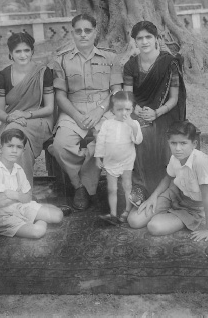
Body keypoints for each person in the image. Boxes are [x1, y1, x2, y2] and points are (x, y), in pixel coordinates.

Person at [50, 14, 123, 211]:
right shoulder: (62, 60)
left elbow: (116, 91)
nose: (83, 35)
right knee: (60, 145)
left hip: (104, 109)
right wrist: (76, 115)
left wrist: (99, 111)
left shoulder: (110, 57)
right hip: (73, 110)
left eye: (87, 30)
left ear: (95, 32)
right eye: (78, 31)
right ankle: (79, 186)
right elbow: (60, 96)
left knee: (106, 140)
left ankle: (85, 188)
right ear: (72, 33)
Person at [123, 20, 186, 197]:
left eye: (148, 37)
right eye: (140, 38)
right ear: (134, 41)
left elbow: (174, 99)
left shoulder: (169, 63)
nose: (144, 42)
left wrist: (156, 112)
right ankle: (140, 186)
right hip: (138, 110)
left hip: (164, 112)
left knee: (153, 133)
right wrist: (137, 110)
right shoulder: (130, 66)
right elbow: (128, 97)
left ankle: (165, 189)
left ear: (156, 38)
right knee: (134, 132)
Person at [128, 121, 208, 242]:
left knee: (154, 226)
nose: (178, 148)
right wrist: (153, 197)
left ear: (194, 144)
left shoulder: (200, 162)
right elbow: (167, 178)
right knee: (134, 221)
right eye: (173, 143)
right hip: (174, 194)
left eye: (183, 143)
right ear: (168, 143)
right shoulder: (175, 157)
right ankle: (146, 199)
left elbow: (207, 197)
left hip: (192, 208)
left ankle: (170, 216)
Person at [0, 31, 54, 188]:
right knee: (14, 134)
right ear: (10, 53)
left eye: (26, 50)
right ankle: (14, 189)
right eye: (18, 51)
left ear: (32, 51)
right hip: (14, 120)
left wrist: (25, 114)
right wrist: (10, 118)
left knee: (13, 134)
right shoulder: (4, 76)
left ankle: (23, 192)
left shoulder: (42, 72)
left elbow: (49, 108)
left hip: (40, 119)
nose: (23, 55)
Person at [0, 129, 63, 238]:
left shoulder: (18, 169)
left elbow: (27, 198)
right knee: (37, 232)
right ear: (1, 148)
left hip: (20, 206)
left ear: (23, 151)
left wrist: (14, 195)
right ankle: (36, 220)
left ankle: (35, 216)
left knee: (58, 215)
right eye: (10, 146)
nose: (14, 150)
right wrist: (20, 196)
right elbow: (0, 202)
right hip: (4, 215)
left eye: (19, 147)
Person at [94, 91, 143, 225]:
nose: (123, 113)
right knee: (112, 188)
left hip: (126, 160)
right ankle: (113, 213)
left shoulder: (134, 124)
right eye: (119, 109)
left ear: (132, 109)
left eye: (127, 109)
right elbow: (100, 142)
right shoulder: (107, 124)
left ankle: (127, 210)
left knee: (127, 185)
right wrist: (98, 157)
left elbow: (138, 140)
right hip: (110, 161)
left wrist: (133, 126)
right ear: (112, 110)